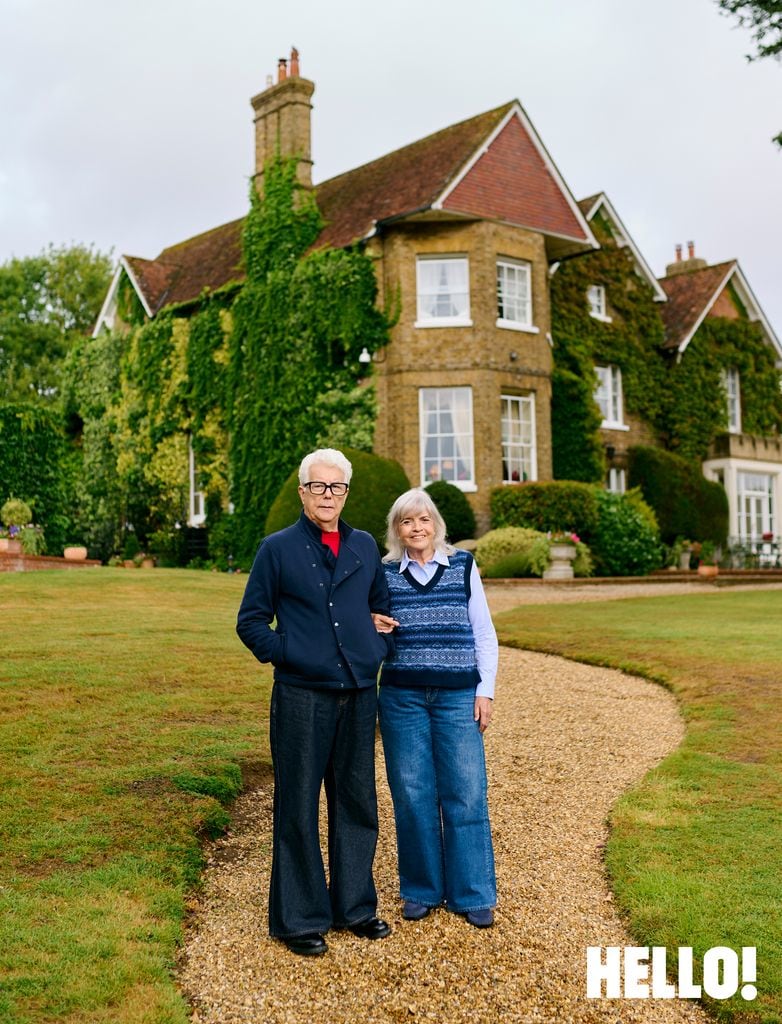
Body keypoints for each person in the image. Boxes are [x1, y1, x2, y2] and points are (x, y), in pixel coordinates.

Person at [236, 448, 394, 956]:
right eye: (319, 486)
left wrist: (374, 649)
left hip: (357, 692)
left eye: (337, 487)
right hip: (301, 695)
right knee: (298, 804)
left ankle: (355, 908)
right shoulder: (277, 548)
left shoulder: (364, 545)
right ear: (303, 492)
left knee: (356, 801)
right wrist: (291, 654)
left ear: (346, 492)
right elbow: (251, 622)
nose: (328, 495)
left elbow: (380, 609)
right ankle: (300, 918)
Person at [374, 487, 498, 928]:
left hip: (457, 697)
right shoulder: (383, 573)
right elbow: (367, 627)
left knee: (465, 791)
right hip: (402, 698)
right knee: (412, 794)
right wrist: (372, 622)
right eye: (407, 521)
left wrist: (485, 691)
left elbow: (484, 633)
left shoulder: (462, 565)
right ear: (397, 530)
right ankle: (421, 889)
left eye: (423, 519)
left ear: (436, 525)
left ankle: (473, 892)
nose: (416, 528)